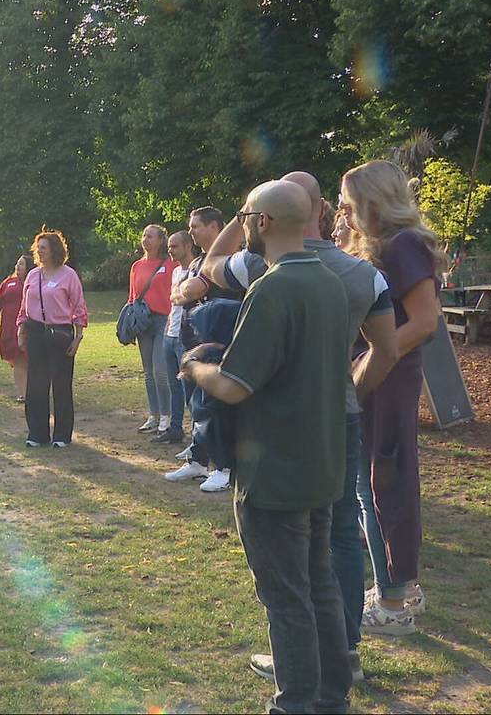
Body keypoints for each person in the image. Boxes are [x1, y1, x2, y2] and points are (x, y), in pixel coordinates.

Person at [208, 172, 401, 683]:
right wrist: (349, 392)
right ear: (319, 210)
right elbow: (387, 349)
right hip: (341, 418)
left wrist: (197, 368)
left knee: (289, 570)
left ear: (265, 220)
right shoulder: (359, 275)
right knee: (337, 540)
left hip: (284, 431)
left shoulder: (263, 271)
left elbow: (208, 267)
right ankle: (342, 660)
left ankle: (298, 677)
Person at [181, 180, 352, 714]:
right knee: (319, 584)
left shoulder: (273, 288)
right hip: (320, 462)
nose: (244, 222)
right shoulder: (329, 282)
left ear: (265, 222)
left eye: (246, 214)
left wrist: (196, 367)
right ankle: (331, 698)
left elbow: (235, 386)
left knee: (286, 597)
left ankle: (294, 703)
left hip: (275, 469)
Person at [342, 160, 443, 636]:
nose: (344, 213)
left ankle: (394, 603)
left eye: (349, 204)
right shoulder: (384, 245)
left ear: (373, 202)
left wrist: (371, 360)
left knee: (386, 483)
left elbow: (424, 321)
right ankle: (401, 585)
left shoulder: (404, 245)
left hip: (390, 376)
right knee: (376, 481)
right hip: (378, 374)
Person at [164, 206, 240, 493]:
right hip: (192, 343)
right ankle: (198, 459)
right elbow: (177, 294)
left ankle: (224, 467)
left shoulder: (229, 261)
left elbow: (192, 290)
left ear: (214, 227)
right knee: (196, 404)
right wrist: (187, 289)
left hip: (218, 345)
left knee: (216, 406)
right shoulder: (197, 261)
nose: (191, 231)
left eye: (196, 226)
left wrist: (190, 289)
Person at [17, 226, 88, 448]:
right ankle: (37, 433)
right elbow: (24, 306)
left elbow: (79, 307)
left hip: (60, 333)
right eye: (38, 248)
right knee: (36, 385)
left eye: (44, 248)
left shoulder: (69, 275)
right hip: (35, 332)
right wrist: (21, 329)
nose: (40, 251)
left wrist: (78, 337)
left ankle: (62, 435)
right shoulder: (32, 275)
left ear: (55, 250)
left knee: (61, 385)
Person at [128, 225, 174, 436]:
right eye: (144, 235)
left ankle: (166, 415)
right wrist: (131, 321)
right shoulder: (137, 265)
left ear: (161, 240)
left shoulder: (170, 264)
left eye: (151, 236)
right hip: (143, 322)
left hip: (164, 320)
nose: (146, 239)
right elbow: (132, 297)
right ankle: (153, 415)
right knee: (148, 373)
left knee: (160, 372)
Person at [154, 230, 198, 444]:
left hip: (185, 335)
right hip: (170, 334)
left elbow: (184, 298)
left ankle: (198, 433)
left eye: (174, 246)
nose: (170, 250)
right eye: (169, 246)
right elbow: (175, 300)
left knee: (188, 386)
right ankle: (175, 428)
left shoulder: (197, 270)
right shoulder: (176, 272)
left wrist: (179, 296)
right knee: (173, 385)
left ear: (188, 246)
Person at [0, 255, 31, 402]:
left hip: (29, 327)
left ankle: (32, 391)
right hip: (10, 327)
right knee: (18, 360)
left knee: (29, 361)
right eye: (17, 263)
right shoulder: (8, 283)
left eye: (21, 264)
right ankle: (23, 394)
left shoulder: (34, 282)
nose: (17, 266)